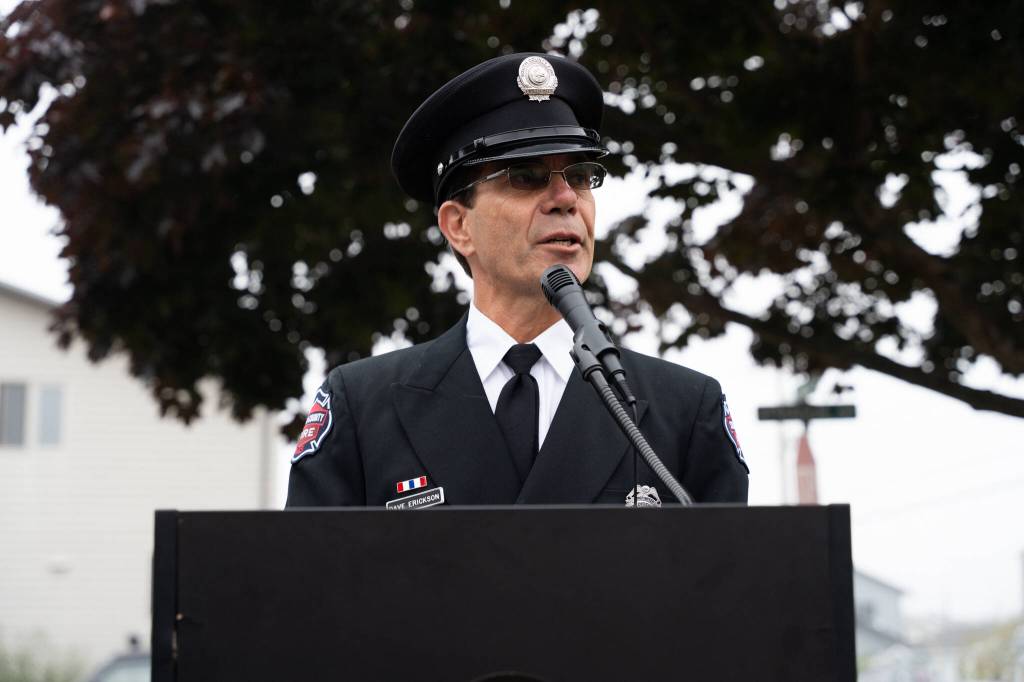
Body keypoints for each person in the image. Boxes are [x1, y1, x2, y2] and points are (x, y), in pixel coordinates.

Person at [286, 53, 748, 508]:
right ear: (458, 226)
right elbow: (307, 580)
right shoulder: (364, 407)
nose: (566, 198)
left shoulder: (685, 409)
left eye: (582, 176)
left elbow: (732, 579)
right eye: (526, 177)